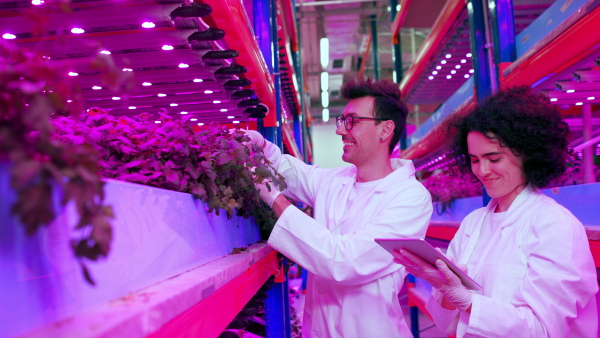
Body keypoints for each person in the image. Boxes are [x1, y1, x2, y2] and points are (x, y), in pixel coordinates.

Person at [393, 86, 598, 337]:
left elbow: (542, 330)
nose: (482, 170)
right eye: (475, 160)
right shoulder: (473, 223)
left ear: (526, 154)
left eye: (494, 158)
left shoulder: (554, 225)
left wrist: (466, 300)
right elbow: (447, 325)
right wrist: (446, 289)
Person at [245, 79, 433, 337]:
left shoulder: (409, 198)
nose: (341, 131)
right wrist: (262, 148)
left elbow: (344, 262)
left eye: (352, 121)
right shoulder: (336, 181)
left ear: (385, 129)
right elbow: (294, 173)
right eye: (342, 120)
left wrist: (276, 200)